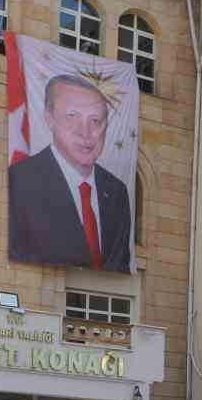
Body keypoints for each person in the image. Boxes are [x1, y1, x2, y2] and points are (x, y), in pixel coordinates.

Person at [8, 74, 133, 271]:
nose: (85, 132)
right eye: (72, 116)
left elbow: (119, 265)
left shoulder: (117, 191)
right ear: (49, 119)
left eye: (95, 120)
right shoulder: (19, 181)